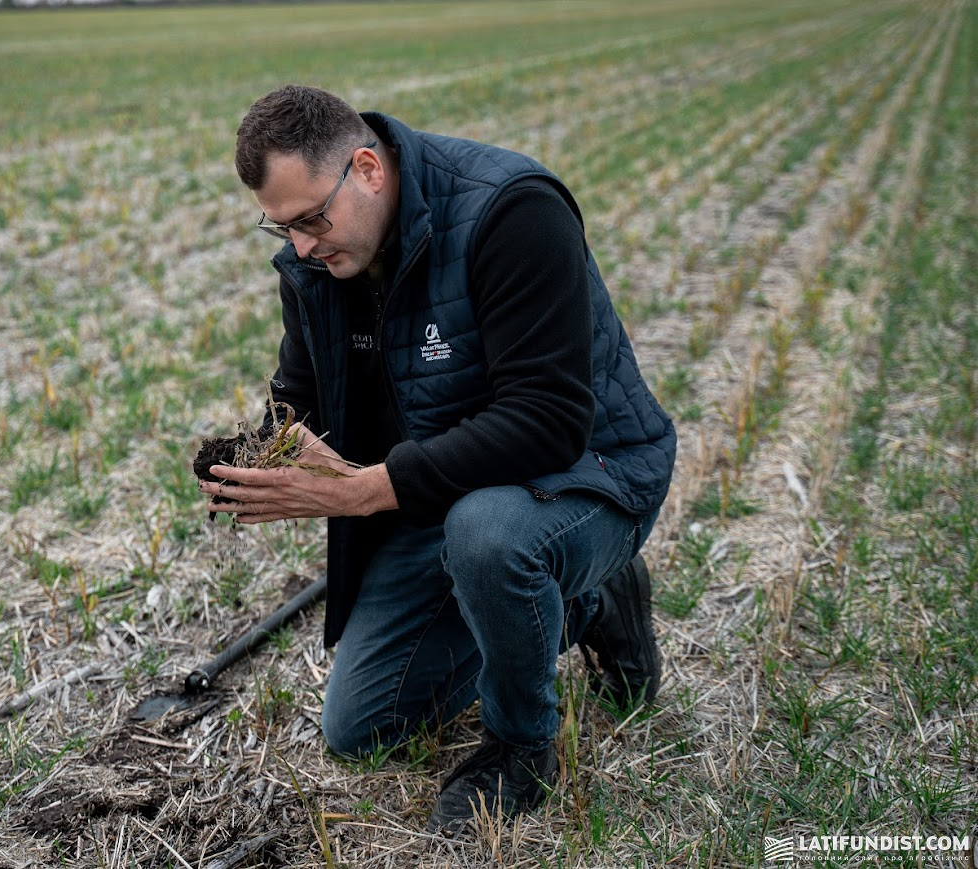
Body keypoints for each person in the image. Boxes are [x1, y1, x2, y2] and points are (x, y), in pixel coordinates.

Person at [198, 85, 676, 834]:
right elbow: (304, 394)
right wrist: (257, 456)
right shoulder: (324, 263)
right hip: (439, 491)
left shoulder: (511, 211)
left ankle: (521, 745)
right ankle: (577, 606)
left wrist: (368, 490)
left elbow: (549, 421)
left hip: (589, 475)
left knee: (489, 536)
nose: (300, 248)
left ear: (367, 168)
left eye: (311, 220)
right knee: (363, 726)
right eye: (281, 227)